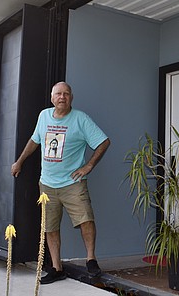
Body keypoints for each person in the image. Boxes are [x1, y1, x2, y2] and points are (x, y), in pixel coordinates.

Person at [11, 81, 110, 284]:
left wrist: (89, 166)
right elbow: (34, 140)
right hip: (47, 184)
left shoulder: (80, 119)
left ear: (71, 97)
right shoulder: (44, 116)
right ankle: (57, 268)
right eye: (58, 94)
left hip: (73, 183)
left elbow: (103, 141)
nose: (62, 97)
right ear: (52, 97)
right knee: (50, 227)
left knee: (86, 219)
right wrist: (20, 161)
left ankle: (91, 259)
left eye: (66, 94)